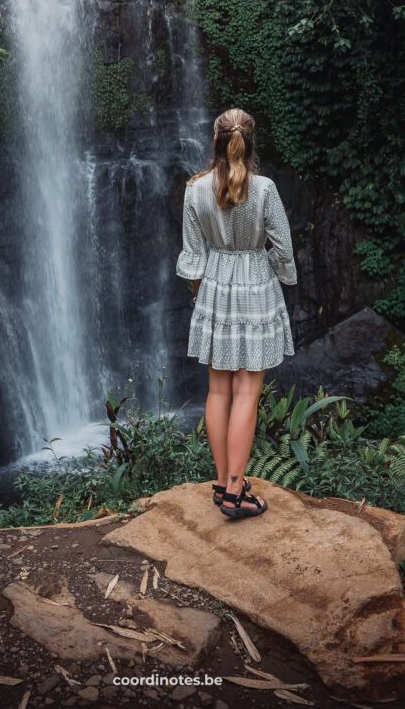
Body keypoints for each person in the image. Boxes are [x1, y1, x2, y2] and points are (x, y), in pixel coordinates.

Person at [176, 108, 297, 519]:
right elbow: (282, 248)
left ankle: (223, 481)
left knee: (217, 390)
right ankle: (235, 492)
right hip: (256, 286)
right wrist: (281, 275)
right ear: (251, 141)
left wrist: (201, 296)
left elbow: (193, 257)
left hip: (215, 286)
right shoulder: (264, 189)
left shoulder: (195, 190)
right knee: (247, 391)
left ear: (215, 141)